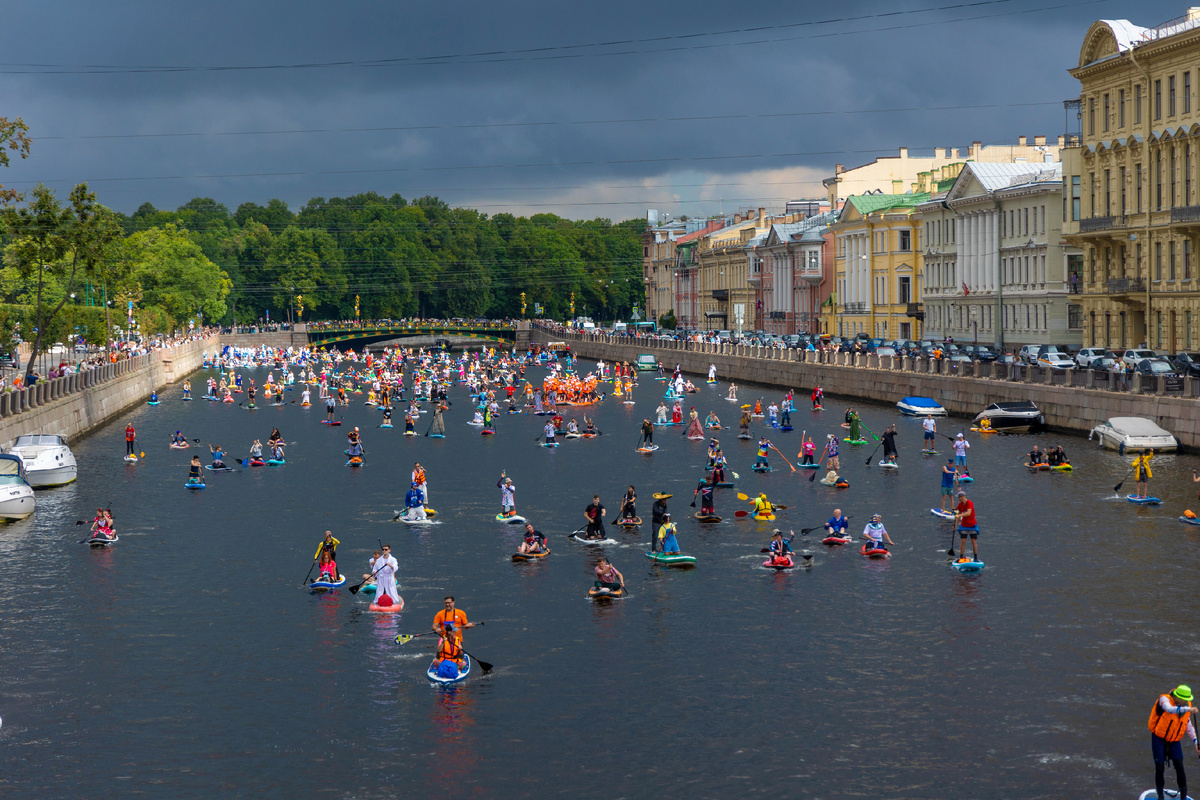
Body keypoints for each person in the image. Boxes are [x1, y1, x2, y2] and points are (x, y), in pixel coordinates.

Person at [1149, 685, 1200, 800]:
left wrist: (1196, 742)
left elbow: (1188, 725)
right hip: (1159, 738)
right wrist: (1188, 709)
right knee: (1160, 767)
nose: (1186, 702)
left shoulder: (1186, 706)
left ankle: (1183, 796)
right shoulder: (1164, 700)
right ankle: (1160, 796)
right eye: (1184, 700)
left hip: (1174, 740)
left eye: (1188, 700)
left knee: (1179, 766)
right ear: (1177, 697)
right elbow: (1170, 709)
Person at [953, 490, 980, 560]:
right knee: (963, 541)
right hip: (964, 525)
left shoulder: (969, 503)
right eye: (958, 497)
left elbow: (968, 513)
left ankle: (976, 558)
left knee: (973, 541)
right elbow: (958, 515)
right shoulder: (960, 504)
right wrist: (955, 525)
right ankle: (961, 557)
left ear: (963, 497)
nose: (959, 499)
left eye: (959, 497)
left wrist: (959, 515)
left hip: (972, 525)